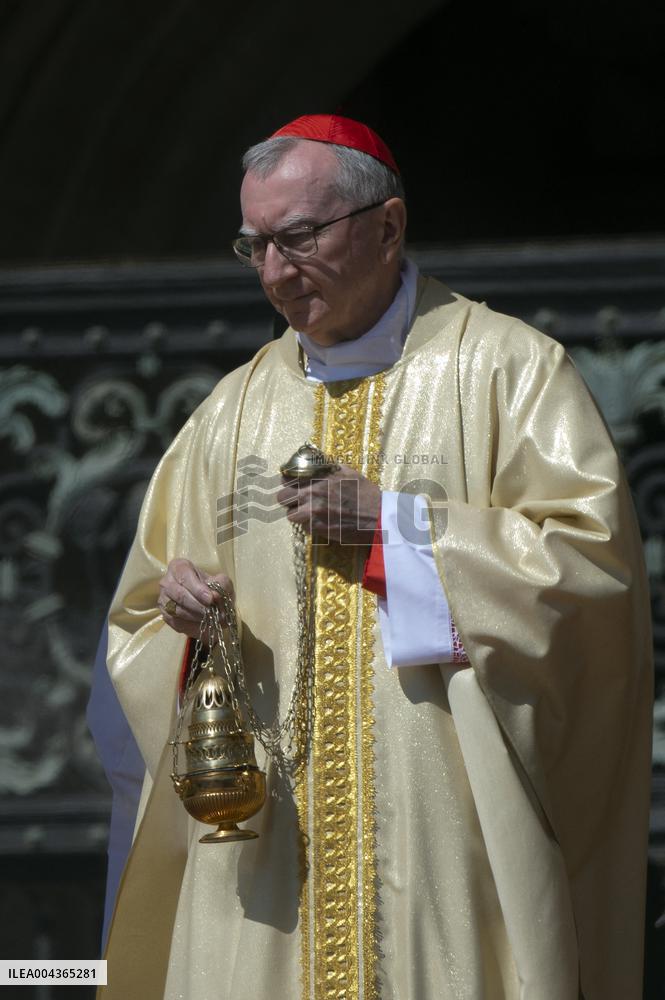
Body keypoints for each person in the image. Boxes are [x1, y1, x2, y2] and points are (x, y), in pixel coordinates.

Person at [99, 114, 653, 1000]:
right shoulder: (226, 414)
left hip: (444, 829)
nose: (276, 273)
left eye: (300, 239)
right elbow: (136, 618)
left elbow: (590, 575)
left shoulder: (507, 370)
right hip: (265, 852)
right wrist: (182, 618)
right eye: (255, 247)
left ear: (387, 226)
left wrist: (398, 530)